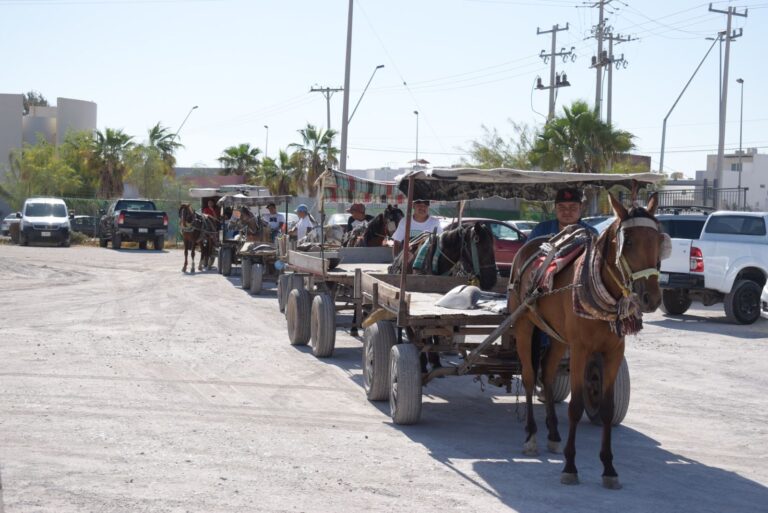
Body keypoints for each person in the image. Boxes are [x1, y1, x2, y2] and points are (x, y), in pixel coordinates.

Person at [529, 187, 597, 239]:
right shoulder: (541, 230)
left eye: (573, 207)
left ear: (580, 208)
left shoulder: (591, 233)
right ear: (555, 208)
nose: (567, 211)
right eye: (562, 207)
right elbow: (525, 255)